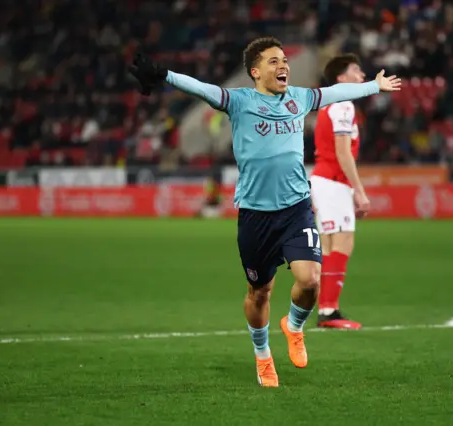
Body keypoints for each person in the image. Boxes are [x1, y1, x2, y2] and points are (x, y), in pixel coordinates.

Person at [129, 37, 401, 387]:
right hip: (256, 215)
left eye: (284, 59)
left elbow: (334, 93)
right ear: (255, 72)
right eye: (273, 61)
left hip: (296, 209)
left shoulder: (299, 98)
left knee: (310, 279)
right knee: (260, 293)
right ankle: (262, 356)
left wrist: (373, 86)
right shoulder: (239, 101)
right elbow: (201, 88)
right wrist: (165, 75)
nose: (283, 65)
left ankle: (295, 326)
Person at [310, 54, 369, 330]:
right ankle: (329, 310)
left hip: (324, 181)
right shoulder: (344, 106)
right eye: (356, 70)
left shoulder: (328, 106)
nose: (362, 74)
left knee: (330, 245)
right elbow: (343, 153)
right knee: (342, 243)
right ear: (341, 79)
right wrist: (359, 190)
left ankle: (326, 309)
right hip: (333, 182)